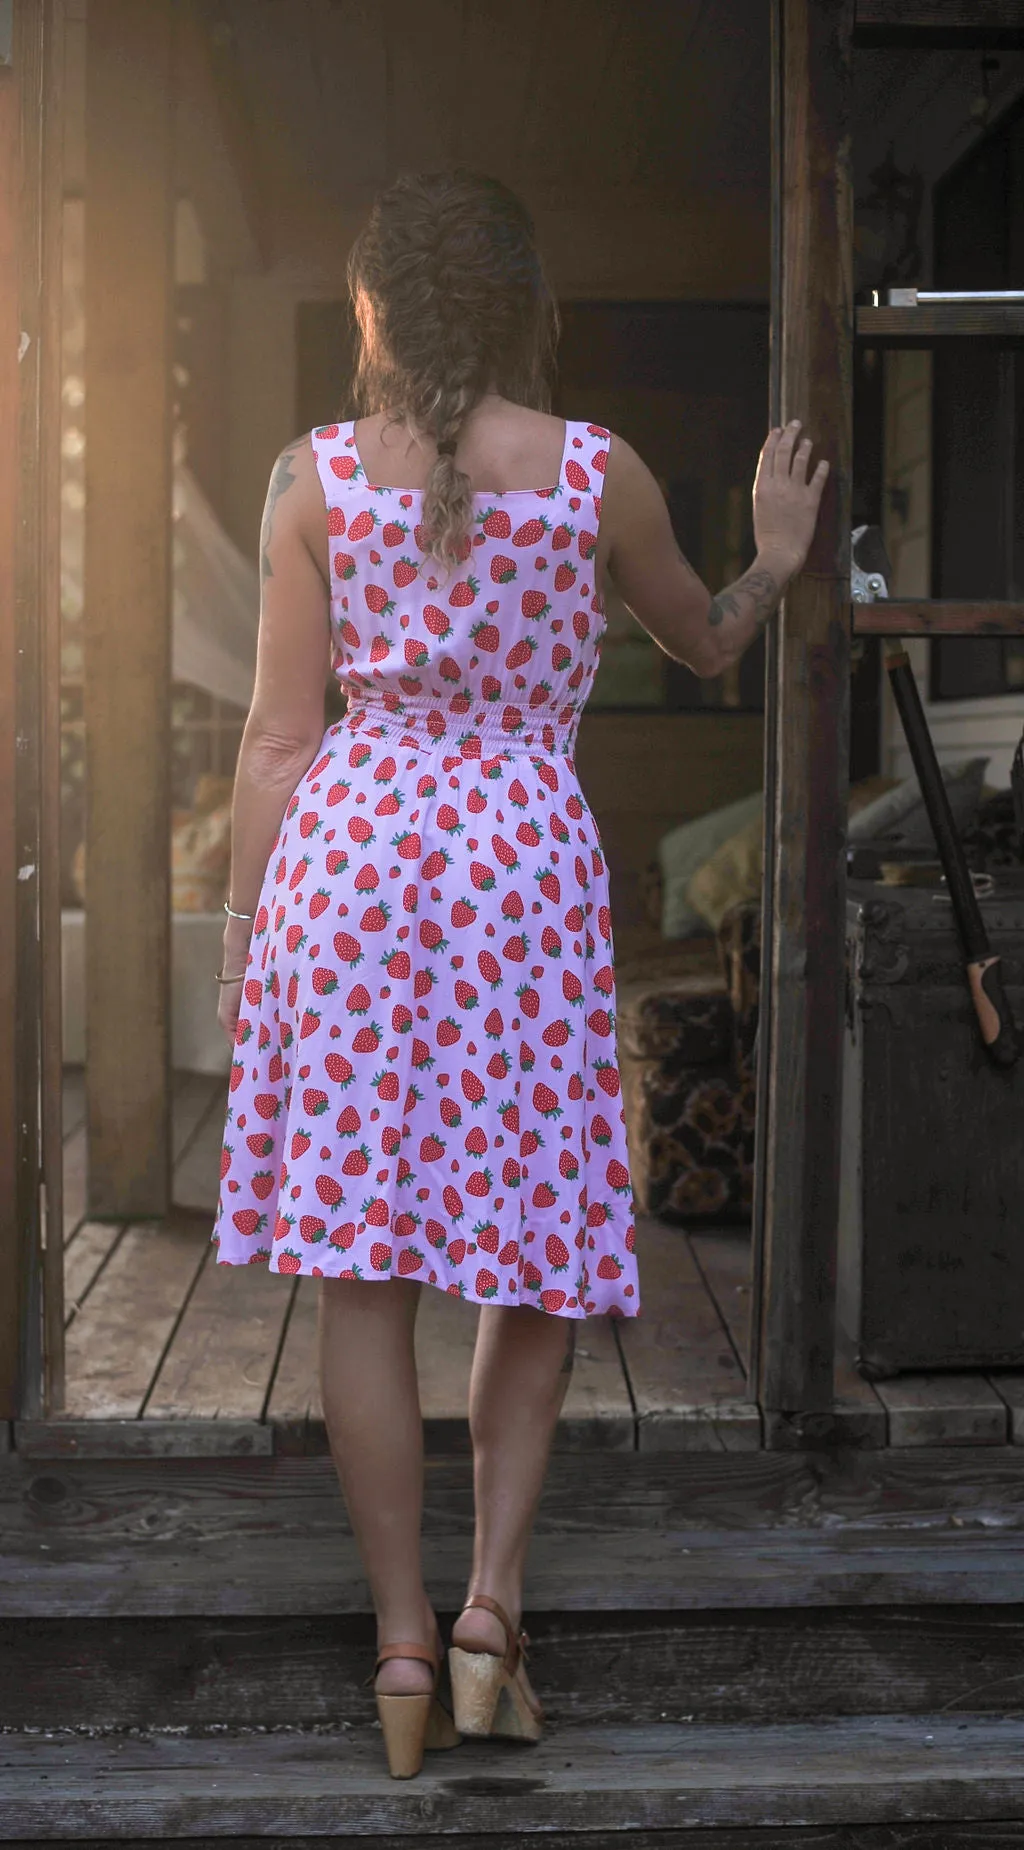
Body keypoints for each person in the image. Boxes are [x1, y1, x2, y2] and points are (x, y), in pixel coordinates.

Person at [211, 168, 828, 1778]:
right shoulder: (601, 475)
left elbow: (276, 740)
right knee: (530, 1245)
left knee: (363, 1269)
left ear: (374, 311)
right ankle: (491, 1610)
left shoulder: (308, 477)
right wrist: (774, 554)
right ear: (521, 310)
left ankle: (401, 1641)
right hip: (520, 878)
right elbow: (709, 639)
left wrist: (245, 943)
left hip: (349, 872)